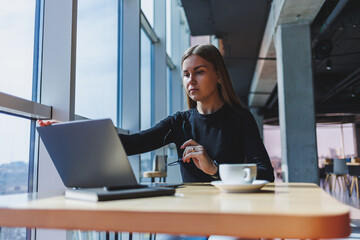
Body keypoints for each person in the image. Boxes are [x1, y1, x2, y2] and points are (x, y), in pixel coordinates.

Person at [119, 44, 274, 183]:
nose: (191, 80)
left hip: (228, 209)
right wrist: (97, 130)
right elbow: (132, 144)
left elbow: (266, 174)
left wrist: (215, 169)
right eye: (186, 74)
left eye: (199, 72)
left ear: (219, 76)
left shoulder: (241, 119)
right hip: (191, 209)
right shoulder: (179, 122)